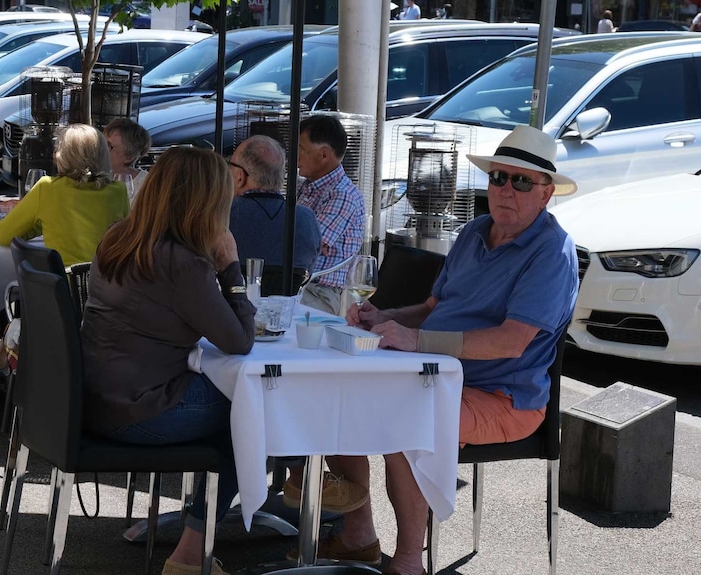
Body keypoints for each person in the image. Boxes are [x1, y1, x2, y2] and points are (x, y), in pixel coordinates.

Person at [316, 125, 579, 575]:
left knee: (405, 420)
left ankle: (407, 563)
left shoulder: (552, 252)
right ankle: (359, 534)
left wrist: (416, 340)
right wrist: (388, 318)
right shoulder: (476, 230)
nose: (506, 190)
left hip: (502, 395)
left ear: (546, 194)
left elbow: (512, 342)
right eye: (499, 178)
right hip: (434, 373)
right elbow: (435, 307)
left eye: (521, 181)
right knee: (345, 391)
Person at [81, 146, 254, 575]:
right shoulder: (182, 262)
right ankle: (190, 557)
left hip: (93, 399)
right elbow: (239, 341)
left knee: (240, 420)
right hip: (140, 410)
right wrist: (230, 268)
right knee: (254, 414)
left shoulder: (118, 238)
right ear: (205, 202)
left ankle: (197, 532)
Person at [0, 123, 129, 267]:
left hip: (66, 284)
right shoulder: (118, 191)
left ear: (61, 156)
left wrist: (39, 226)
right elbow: (127, 240)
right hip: (107, 283)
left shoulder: (47, 188)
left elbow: (2, 236)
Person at [296, 114, 365, 315]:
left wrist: (309, 241)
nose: (296, 157)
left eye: (301, 150)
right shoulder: (307, 187)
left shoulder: (342, 195)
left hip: (319, 293)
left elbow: (306, 246)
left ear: (323, 154)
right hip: (297, 284)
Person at [228, 135, 321, 273]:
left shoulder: (223, 214)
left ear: (240, 177)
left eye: (230, 165)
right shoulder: (306, 220)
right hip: (291, 295)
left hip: (231, 294)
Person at [103, 117, 152, 195]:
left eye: (109, 146)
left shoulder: (145, 185)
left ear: (128, 157)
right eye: (102, 142)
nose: (101, 149)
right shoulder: (91, 176)